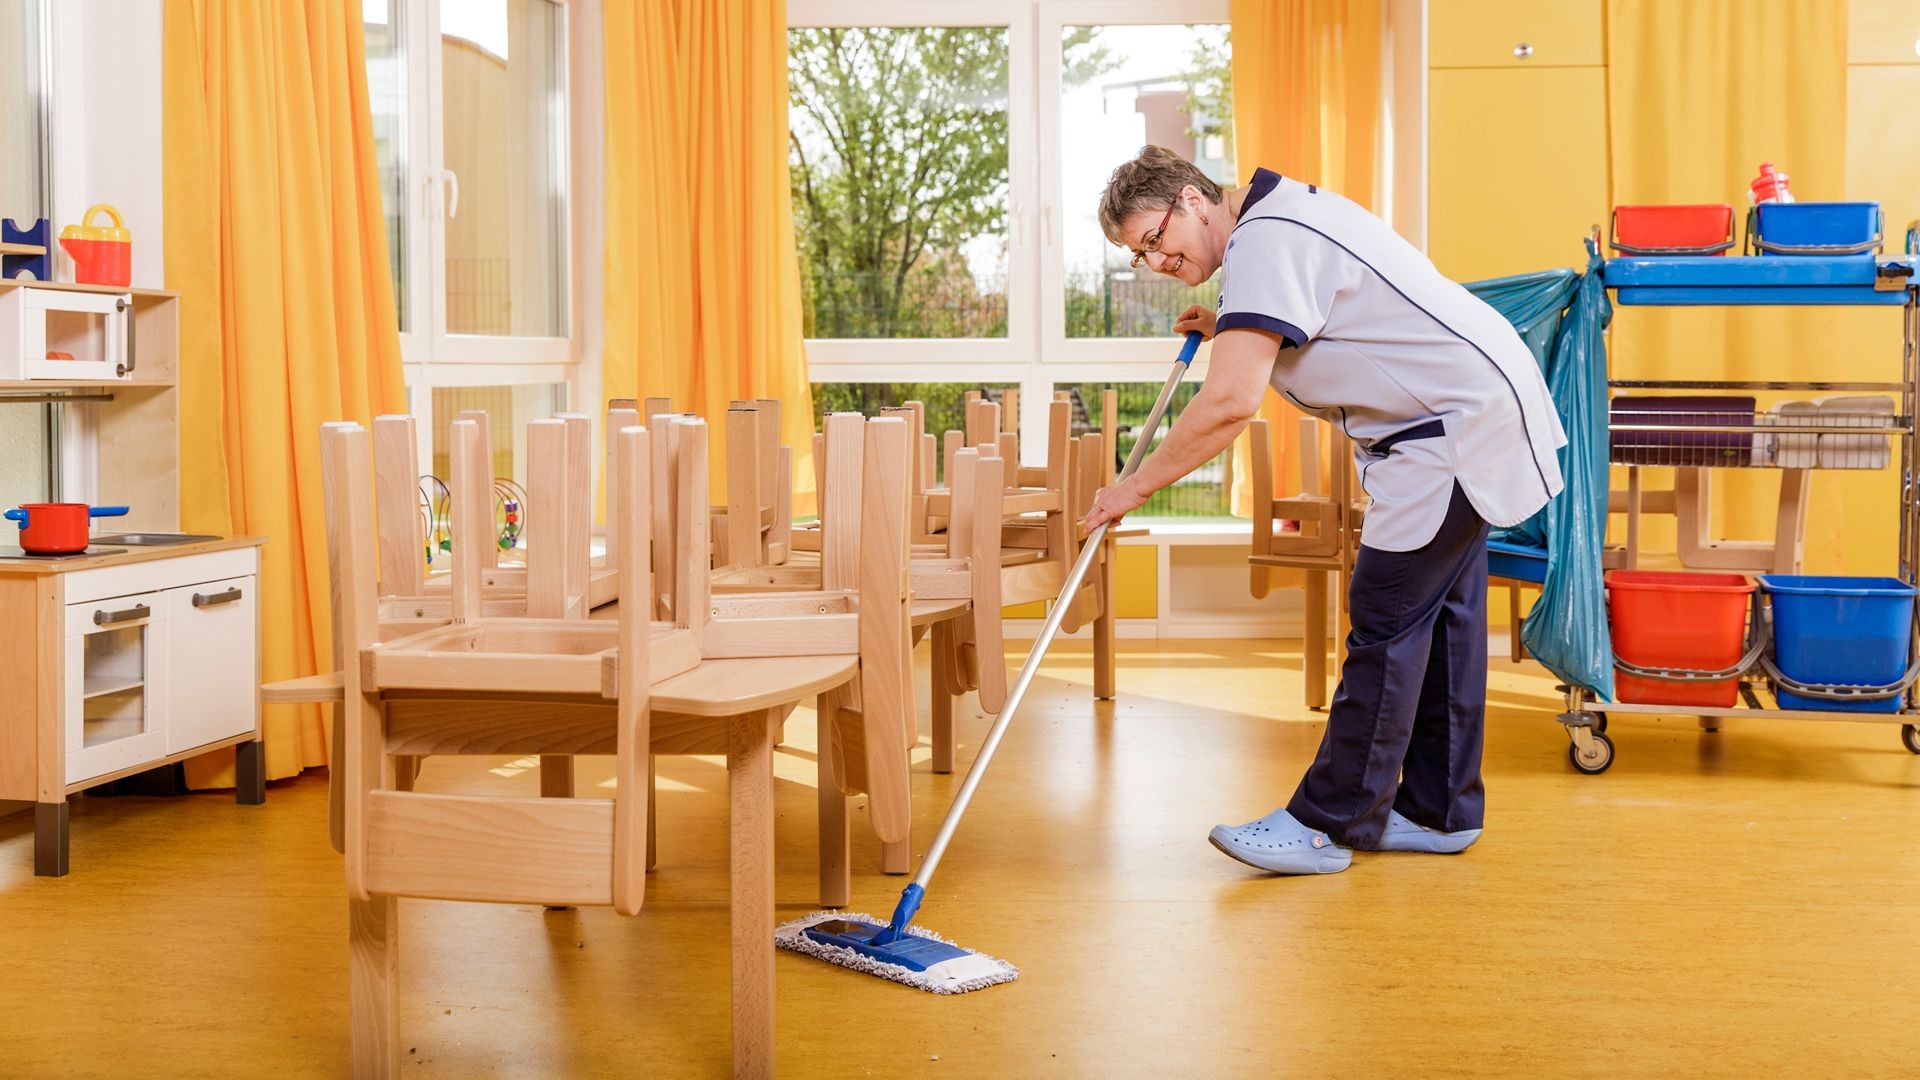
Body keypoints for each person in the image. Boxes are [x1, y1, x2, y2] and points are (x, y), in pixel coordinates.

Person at [1083, 145, 1566, 875]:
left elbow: (1228, 404)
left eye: (1154, 241)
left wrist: (1132, 488)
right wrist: (1230, 323)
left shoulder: (1267, 238)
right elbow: (1336, 318)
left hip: (1452, 432)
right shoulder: (1274, 226)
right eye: (1138, 257)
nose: (1155, 263)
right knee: (1441, 621)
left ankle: (1326, 824)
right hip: (1470, 416)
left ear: (1191, 199)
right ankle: (1439, 813)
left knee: (1387, 615)